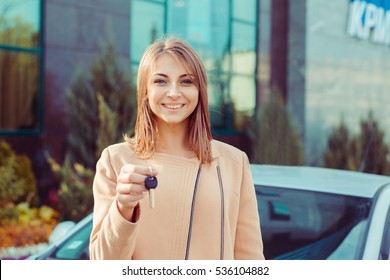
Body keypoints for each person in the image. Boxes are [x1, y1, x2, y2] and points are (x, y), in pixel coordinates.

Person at [89, 37, 265, 260]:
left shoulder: (234, 163)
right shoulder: (116, 160)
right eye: (161, 81)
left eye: (186, 81)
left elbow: (250, 259)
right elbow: (103, 262)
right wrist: (123, 207)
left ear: (200, 90)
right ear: (145, 90)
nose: (173, 92)